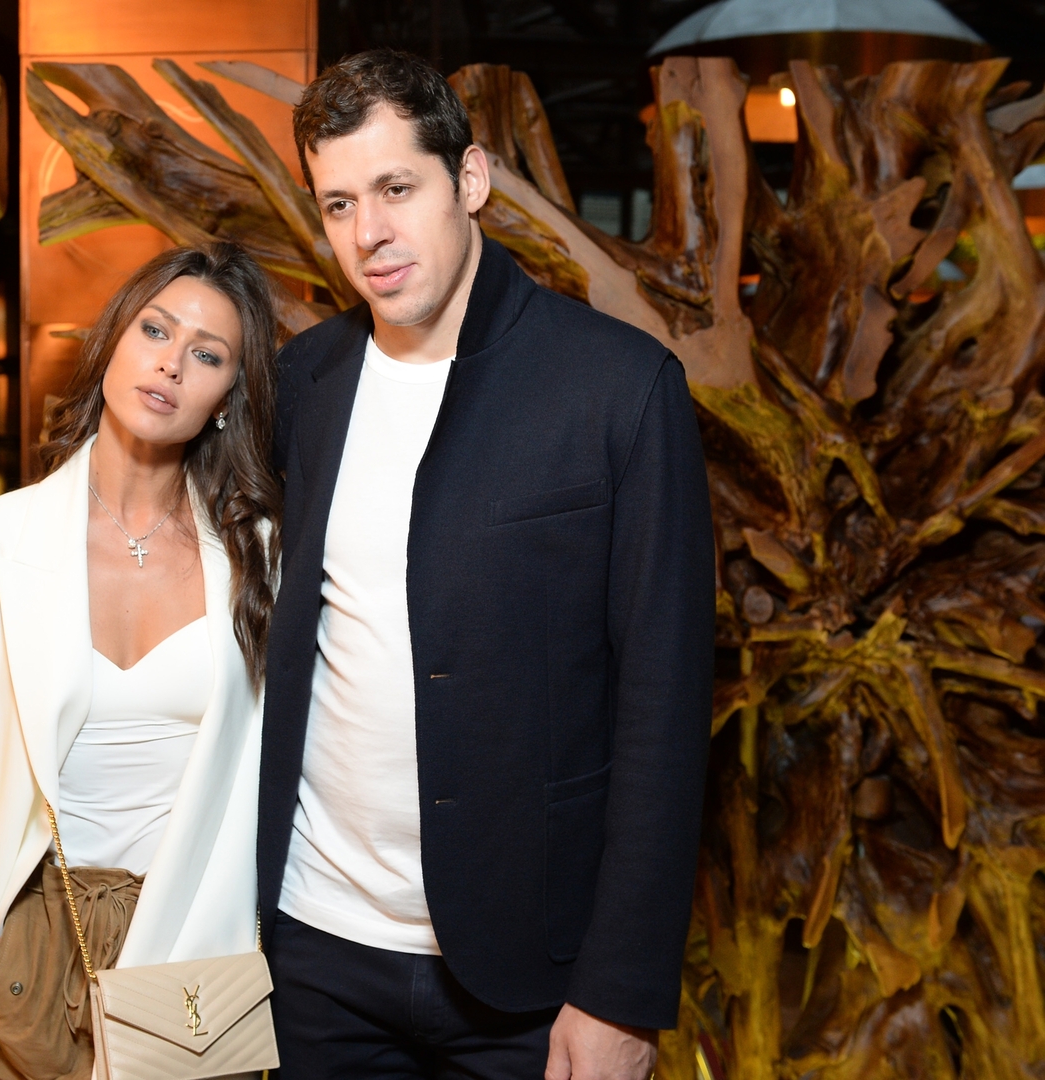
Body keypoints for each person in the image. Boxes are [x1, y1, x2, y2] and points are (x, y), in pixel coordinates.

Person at [258, 49, 715, 1080]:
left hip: (529, 975)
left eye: (395, 189)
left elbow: (665, 706)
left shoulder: (618, 387)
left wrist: (621, 992)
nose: (368, 234)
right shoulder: (304, 383)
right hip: (314, 951)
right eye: (338, 204)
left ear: (468, 179)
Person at [0, 243, 282, 1080]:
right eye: (156, 330)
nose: (170, 363)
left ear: (227, 398)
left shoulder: (260, 557)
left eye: (207, 354)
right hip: (26, 931)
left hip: (187, 940)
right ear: (113, 341)